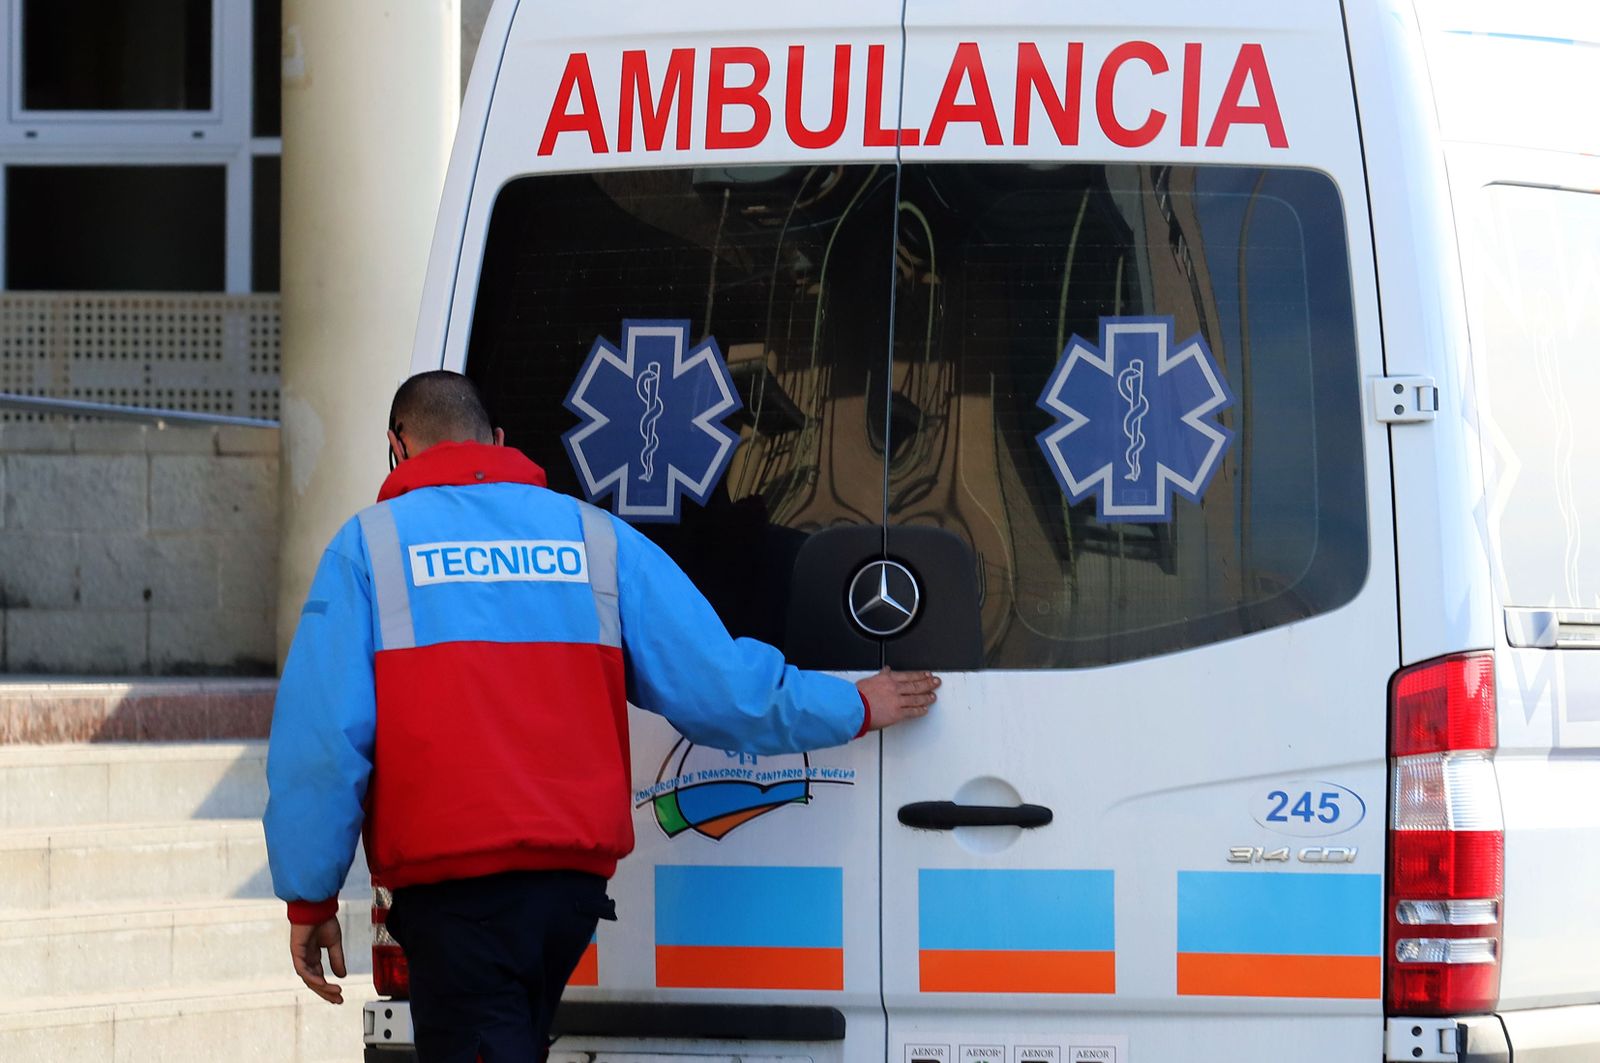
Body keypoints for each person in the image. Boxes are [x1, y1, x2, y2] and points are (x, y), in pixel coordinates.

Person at [263, 370, 940, 1061]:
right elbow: (719, 684)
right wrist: (853, 702)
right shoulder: (594, 538)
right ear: (498, 441)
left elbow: (320, 741)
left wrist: (310, 897)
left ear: (396, 447)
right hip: (568, 891)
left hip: (455, 896)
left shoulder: (369, 548)